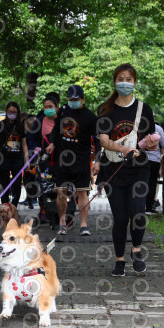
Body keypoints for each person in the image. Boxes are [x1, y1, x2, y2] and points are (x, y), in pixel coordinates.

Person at [97, 63, 155, 276]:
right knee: (120, 217)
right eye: (120, 78)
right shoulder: (105, 109)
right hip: (113, 170)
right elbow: (103, 141)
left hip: (139, 169)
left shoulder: (144, 109)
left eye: (129, 79)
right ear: (115, 81)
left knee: (138, 212)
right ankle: (119, 259)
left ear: (134, 82)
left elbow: (150, 141)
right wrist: (124, 148)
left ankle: (136, 251)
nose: (125, 82)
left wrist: (152, 143)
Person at [46, 85, 100, 236]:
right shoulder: (63, 110)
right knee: (61, 191)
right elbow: (56, 129)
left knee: (82, 192)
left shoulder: (90, 117)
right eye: (70, 99)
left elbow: (97, 140)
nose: (73, 102)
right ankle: (62, 222)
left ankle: (84, 224)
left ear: (82, 99)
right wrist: (52, 143)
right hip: (63, 158)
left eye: (76, 99)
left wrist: (98, 160)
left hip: (81, 159)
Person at [27, 93, 59, 222]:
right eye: (45, 107)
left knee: (60, 187)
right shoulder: (39, 122)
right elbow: (31, 138)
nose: (48, 109)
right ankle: (44, 211)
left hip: (62, 159)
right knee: (44, 186)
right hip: (44, 159)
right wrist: (35, 147)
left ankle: (62, 212)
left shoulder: (63, 121)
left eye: (50, 106)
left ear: (57, 107)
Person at [0, 102, 28, 207]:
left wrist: (27, 159)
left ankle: (14, 207)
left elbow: (24, 144)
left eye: (14, 112)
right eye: (10, 111)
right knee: (4, 183)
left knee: (16, 184)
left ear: (18, 112)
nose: (12, 113)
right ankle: (5, 207)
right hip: (4, 158)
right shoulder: (1, 124)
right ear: (6, 111)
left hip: (18, 159)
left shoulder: (21, 125)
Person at [145, 122, 164, 214]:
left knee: (141, 182)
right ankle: (149, 207)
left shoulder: (139, 126)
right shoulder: (158, 128)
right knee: (152, 183)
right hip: (154, 160)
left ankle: (138, 206)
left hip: (141, 159)